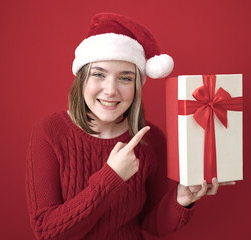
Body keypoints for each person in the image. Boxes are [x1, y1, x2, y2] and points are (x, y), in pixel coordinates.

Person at [26, 12, 234, 240]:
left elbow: (151, 223)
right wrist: (111, 177)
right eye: (99, 74)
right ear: (82, 79)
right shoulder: (50, 132)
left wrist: (181, 200)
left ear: (136, 86)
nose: (111, 90)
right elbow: (47, 232)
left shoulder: (151, 139)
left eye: (125, 78)